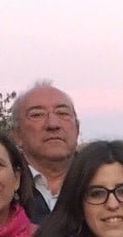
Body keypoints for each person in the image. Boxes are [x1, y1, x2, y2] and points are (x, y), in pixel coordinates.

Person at [11, 81, 80, 223]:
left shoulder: (101, 180)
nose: (53, 124)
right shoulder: (3, 188)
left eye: (62, 113)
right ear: (17, 134)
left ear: (77, 129)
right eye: (37, 115)